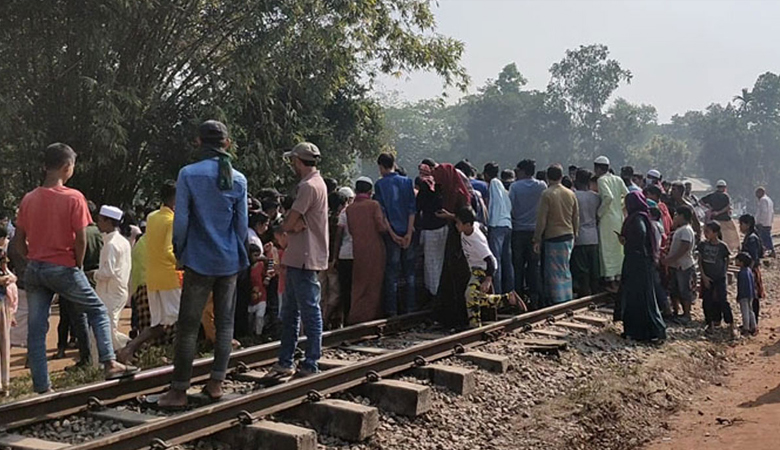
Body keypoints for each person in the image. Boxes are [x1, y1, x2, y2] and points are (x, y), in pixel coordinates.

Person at [16, 143, 137, 393]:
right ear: (67, 167)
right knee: (97, 311)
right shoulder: (74, 197)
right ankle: (109, 362)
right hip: (63, 266)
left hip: (36, 269)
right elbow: (81, 238)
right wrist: (77, 265)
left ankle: (42, 386)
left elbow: (18, 240)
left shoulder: (28, 199)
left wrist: (32, 259)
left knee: (37, 329)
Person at [157, 120, 248, 407]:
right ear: (227, 144)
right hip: (229, 260)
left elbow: (181, 221)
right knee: (224, 325)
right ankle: (216, 383)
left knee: (188, 326)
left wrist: (179, 251)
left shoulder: (188, 174)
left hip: (198, 259)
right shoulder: (239, 179)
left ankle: (179, 390)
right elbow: (241, 227)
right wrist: (238, 255)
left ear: (198, 142)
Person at [268, 142, 328, 379]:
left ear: (298, 161)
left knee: (306, 311)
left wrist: (287, 227)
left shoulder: (307, 187)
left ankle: (310, 360)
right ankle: (287, 359)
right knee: (293, 311)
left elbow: (290, 222)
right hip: (300, 256)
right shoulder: (318, 183)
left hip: (303, 256)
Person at [117, 181, 180, 363]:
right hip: (169, 278)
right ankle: (178, 356)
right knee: (183, 319)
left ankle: (129, 349)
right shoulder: (172, 220)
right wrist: (183, 263)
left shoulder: (152, 217)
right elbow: (169, 251)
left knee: (159, 324)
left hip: (152, 279)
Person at [452, 207, 525, 328]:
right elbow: (479, 224)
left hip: (483, 269)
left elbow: (490, 260)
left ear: (467, 225)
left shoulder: (476, 239)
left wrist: (488, 279)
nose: (456, 226)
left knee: (469, 295)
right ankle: (508, 299)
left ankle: (474, 325)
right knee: (477, 297)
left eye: (458, 223)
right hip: (474, 267)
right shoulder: (468, 228)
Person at [617, 192, 665, 343]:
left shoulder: (637, 218)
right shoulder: (642, 216)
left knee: (641, 298)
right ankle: (637, 331)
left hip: (637, 263)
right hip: (639, 262)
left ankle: (650, 331)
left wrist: (627, 241)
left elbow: (640, 235)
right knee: (637, 298)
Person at [429, 159, 472, 328]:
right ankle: (446, 316)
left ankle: (461, 316)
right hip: (453, 237)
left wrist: (449, 216)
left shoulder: (459, 193)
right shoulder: (448, 192)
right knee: (449, 277)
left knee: (459, 277)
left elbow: (468, 218)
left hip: (461, 239)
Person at [374, 153, 416, 316]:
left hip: (392, 233)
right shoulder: (407, 182)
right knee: (410, 272)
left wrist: (392, 234)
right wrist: (409, 233)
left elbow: (382, 213)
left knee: (392, 273)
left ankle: (392, 310)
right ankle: (410, 307)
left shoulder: (380, 185)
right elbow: (412, 209)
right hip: (408, 231)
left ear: (381, 166)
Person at [533, 164, 579, 305]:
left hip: (553, 236)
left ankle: (557, 299)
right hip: (568, 235)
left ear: (548, 177)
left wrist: (537, 238)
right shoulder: (570, 193)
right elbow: (576, 217)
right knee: (565, 268)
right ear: (561, 176)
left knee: (554, 271)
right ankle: (567, 295)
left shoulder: (547, 194)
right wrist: (575, 234)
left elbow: (542, 219)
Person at [345, 177, 388, 324]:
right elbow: (381, 227)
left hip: (358, 250)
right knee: (374, 284)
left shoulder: (349, 209)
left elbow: (351, 231)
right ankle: (371, 316)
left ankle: (355, 316)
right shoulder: (374, 205)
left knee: (359, 284)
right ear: (370, 191)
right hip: (375, 248)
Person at [93, 205, 133, 355]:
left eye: (100, 220)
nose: (98, 224)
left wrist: (93, 274)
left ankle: (132, 346)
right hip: (118, 290)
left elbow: (107, 272)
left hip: (110, 292)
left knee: (106, 330)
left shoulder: (111, 244)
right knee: (107, 328)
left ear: (108, 221)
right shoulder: (122, 241)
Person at [509, 159, 546, 308]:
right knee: (534, 266)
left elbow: (510, 207)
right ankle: (535, 298)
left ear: (523, 171)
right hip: (535, 232)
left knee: (518, 267)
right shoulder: (541, 186)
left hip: (518, 231)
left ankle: (519, 299)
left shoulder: (515, 187)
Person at [594, 156, 629, 293]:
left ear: (598, 168)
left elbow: (608, 197)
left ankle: (610, 279)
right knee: (617, 249)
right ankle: (618, 277)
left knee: (607, 248)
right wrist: (620, 207)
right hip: (618, 218)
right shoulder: (617, 179)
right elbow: (627, 195)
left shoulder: (602, 180)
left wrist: (599, 213)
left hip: (607, 219)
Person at [415, 164, 448, 302]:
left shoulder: (423, 187)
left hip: (430, 229)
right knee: (440, 262)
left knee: (431, 264)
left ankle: (434, 294)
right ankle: (441, 292)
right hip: (443, 227)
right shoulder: (440, 186)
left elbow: (418, 207)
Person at [697, 222, 735, 337]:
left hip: (719, 278)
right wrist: (704, 276)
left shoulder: (722, 246)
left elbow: (727, 259)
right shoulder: (703, 245)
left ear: (716, 233)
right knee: (707, 301)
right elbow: (700, 261)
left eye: (708, 231)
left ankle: (731, 325)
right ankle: (710, 324)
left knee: (723, 300)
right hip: (707, 278)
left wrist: (724, 272)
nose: (705, 234)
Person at [484, 162, 513, 294]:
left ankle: (499, 293)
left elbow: (494, 206)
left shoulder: (494, 184)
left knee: (496, 261)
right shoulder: (501, 185)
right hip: (507, 224)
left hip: (497, 225)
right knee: (507, 260)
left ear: (487, 174)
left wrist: (490, 224)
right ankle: (510, 291)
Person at [663, 207, 696, 324]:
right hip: (676, 265)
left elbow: (684, 247)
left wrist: (671, 259)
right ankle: (676, 312)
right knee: (674, 289)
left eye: (676, 215)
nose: (675, 218)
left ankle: (687, 314)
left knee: (684, 290)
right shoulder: (680, 230)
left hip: (683, 265)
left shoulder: (686, 230)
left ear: (682, 216)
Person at [572, 169, 601, 297]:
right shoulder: (596, 197)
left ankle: (584, 292)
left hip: (580, 237)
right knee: (594, 266)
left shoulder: (573, 195)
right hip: (593, 236)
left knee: (582, 268)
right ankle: (595, 290)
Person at [334, 187, 356, 326]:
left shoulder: (343, 214)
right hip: (357, 255)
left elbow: (338, 237)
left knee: (344, 289)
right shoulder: (354, 212)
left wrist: (335, 257)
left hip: (344, 255)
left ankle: (345, 318)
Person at [738, 214, 764, 329]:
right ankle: (751, 323)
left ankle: (752, 324)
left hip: (751, 270)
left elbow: (754, 257)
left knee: (752, 298)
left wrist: (748, 271)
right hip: (751, 269)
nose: (740, 227)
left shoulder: (752, 238)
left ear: (747, 225)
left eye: (741, 224)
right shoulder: (750, 236)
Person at [701, 180, 740, 252]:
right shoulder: (726, 196)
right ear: (724, 187)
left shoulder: (711, 195)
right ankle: (731, 250)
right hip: (725, 220)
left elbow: (701, 201)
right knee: (732, 236)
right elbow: (728, 207)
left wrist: (709, 208)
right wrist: (719, 212)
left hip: (715, 220)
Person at [0, 247, 18, 396]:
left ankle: (4, 385)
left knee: (5, 345)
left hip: (3, 307)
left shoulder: (7, 276)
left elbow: (11, 278)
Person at [247, 244, 268, 336]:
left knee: (260, 316)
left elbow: (272, 264)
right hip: (249, 297)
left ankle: (258, 335)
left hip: (261, 295)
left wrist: (268, 278)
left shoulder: (261, 265)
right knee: (249, 318)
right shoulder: (246, 267)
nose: (257, 258)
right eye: (255, 255)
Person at [735, 253, 757, 336]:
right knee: (750, 310)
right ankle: (753, 326)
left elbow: (741, 286)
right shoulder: (749, 270)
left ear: (741, 262)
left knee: (744, 311)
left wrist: (739, 295)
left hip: (744, 295)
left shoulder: (742, 273)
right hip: (750, 294)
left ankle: (746, 328)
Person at [755, 187, 775, 257]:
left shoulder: (763, 200)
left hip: (763, 223)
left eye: (757, 193)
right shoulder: (769, 200)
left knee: (763, 238)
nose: (756, 195)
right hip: (768, 222)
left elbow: (764, 212)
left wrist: (760, 222)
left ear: (760, 192)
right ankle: (770, 250)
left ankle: (767, 251)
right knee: (767, 237)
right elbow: (772, 212)